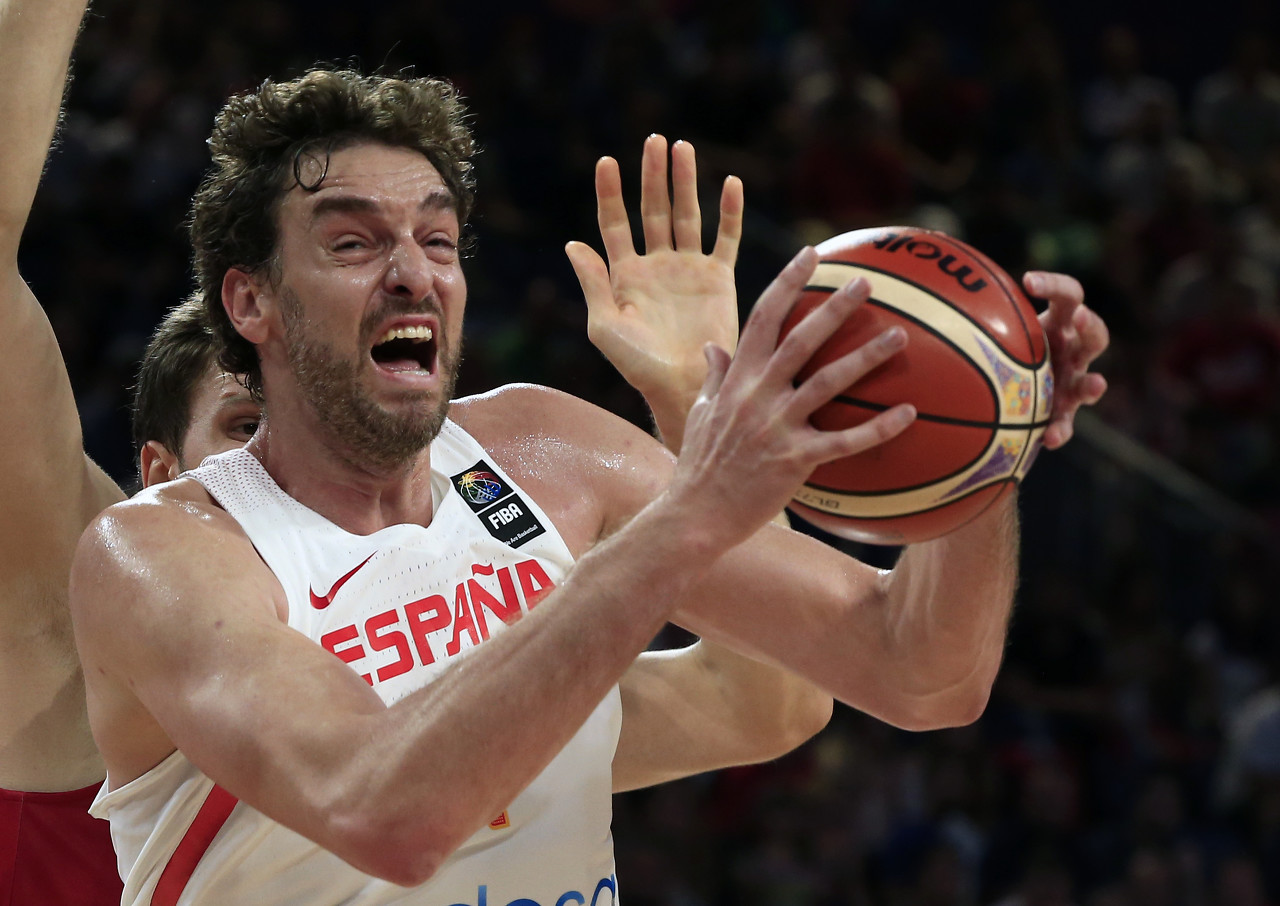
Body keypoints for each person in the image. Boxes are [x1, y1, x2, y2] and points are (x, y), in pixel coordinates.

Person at [67, 66, 1108, 905]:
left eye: (437, 239)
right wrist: (686, 518)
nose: (413, 272)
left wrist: (989, 439)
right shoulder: (163, 555)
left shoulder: (545, 451)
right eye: (352, 243)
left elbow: (921, 674)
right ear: (249, 301)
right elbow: (381, 813)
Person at [0, 4, 832, 902]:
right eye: (247, 429)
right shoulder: (110, 597)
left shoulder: (465, 666)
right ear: (163, 477)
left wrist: (694, 401)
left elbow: (770, 699)